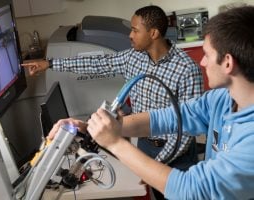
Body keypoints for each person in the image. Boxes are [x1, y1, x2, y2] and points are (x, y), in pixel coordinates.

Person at [49, 5, 254, 199]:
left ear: (228, 62)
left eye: (207, 55)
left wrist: (115, 143)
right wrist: (91, 129)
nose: (202, 61)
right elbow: (165, 119)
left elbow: (193, 189)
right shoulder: (221, 99)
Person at [23, 5, 203, 198]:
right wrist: (50, 63)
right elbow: (98, 64)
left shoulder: (186, 69)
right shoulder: (134, 57)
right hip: (145, 144)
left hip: (176, 154)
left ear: (153, 33)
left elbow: (186, 131)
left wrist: (154, 165)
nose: (130, 35)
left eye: (135, 30)